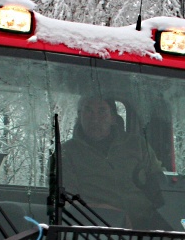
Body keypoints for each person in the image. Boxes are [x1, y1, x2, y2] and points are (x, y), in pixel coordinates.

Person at [60, 96, 165, 228]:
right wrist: (108, 213)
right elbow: (68, 201)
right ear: (79, 116)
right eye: (88, 111)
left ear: (113, 118)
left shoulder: (138, 145)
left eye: (102, 111)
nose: (95, 118)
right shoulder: (65, 153)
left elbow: (160, 184)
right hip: (96, 230)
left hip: (146, 227)